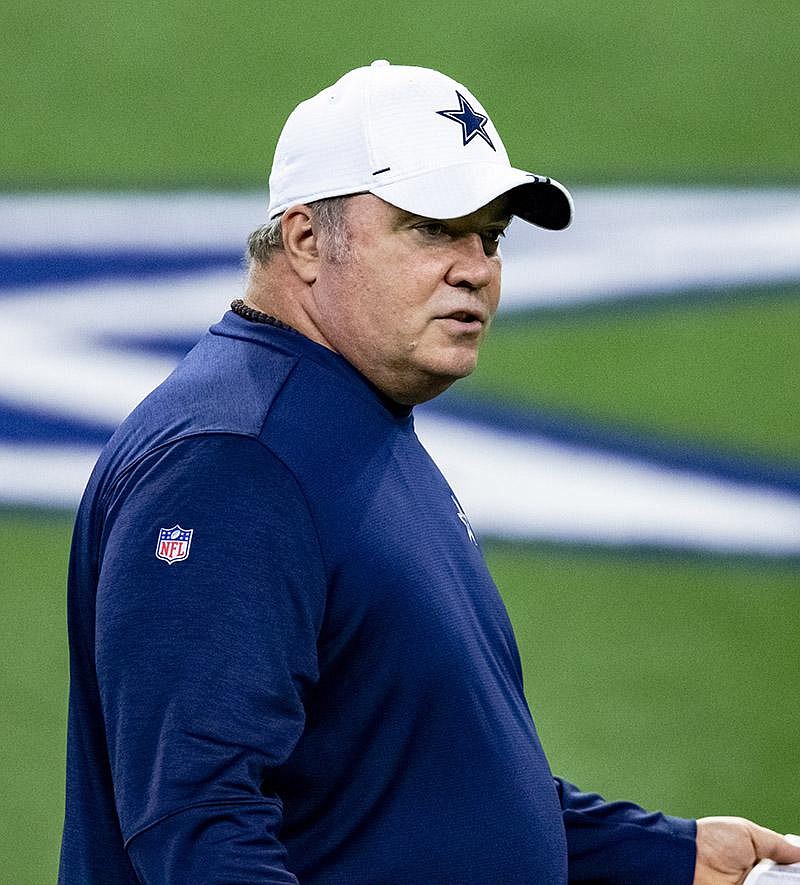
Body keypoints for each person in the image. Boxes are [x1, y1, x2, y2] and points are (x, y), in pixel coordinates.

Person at [59, 60, 800, 884]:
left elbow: (425, 789)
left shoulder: (350, 425)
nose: (477, 267)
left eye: (491, 237)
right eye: (433, 228)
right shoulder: (236, 458)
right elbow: (197, 829)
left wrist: (672, 857)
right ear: (307, 239)